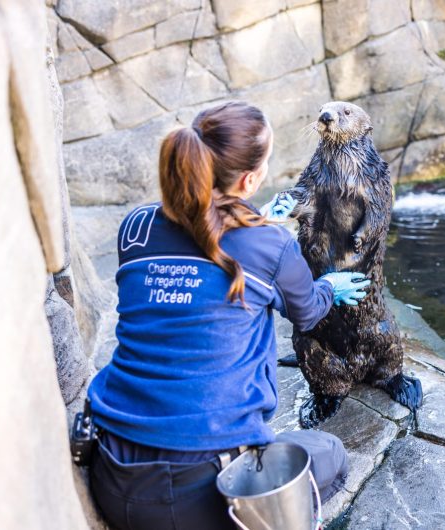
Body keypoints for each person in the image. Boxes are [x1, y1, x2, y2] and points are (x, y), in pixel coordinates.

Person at [86, 101, 370, 529]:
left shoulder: (135, 227)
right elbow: (308, 312)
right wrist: (329, 286)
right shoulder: (270, 246)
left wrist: (253, 223)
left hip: (112, 473)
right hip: (213, 492)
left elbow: (199, 235)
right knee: (329, 453)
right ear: (250, 179)